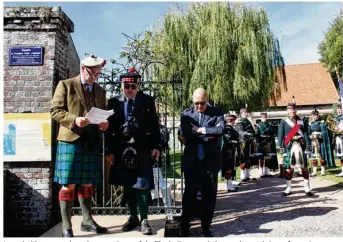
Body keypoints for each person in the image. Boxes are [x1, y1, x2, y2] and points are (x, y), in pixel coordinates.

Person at [51, 54, 108, 237]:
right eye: (92, 73)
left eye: (98, 74)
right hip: (71, 140)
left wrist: (104, 124)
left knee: (88, 184)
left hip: (91, 140)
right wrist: (74, 119)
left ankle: (87, 220)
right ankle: (66, 226)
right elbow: (55, 111)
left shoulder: (100, 90)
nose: (95, 77)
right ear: (83, 69)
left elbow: (101, 113)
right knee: (69, 185)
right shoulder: (66, 85)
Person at [105, 68, 161, 235]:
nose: (129, 89)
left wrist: (156, 146)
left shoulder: (147, 101)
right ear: (122, 85)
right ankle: (132, 217)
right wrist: (109, 149)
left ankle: (144, 219)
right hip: (121, 149)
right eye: (126, 86)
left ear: (139, 86)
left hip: (142, 148)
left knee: (142, 185)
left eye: (133, 86)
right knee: (128, 185)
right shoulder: (114, 102)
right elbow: (109, 129)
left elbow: (154, 126)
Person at [179, 88, 225, 237]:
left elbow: (221, 130)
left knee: (209, 196)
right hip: (192, 162)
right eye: (196, 103)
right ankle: (185, 226)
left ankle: (206, 227)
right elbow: (187, 134)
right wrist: (209, 133)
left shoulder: (216, 112)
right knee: (189, 196)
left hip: (209, 162)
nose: (199, 106)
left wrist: (200, 130)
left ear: (208, 100)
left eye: (202, 103)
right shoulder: (186, 114)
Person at [278, 102, 313, 196]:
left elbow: (305, 133)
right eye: (290, 109)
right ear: (287, 111)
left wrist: (308, 145)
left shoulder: (301, 120)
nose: (292, 111)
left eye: (293, 109)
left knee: (304, 167)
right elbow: (280, 136)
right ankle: (288, 188)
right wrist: (282, 149)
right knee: (289, 168)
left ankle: (307, 188)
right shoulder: (283, 121)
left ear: (296, 110)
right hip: (289, 146)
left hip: (301, 145)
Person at [308, 108, 335, 176]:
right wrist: (310, 136)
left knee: (322, 157)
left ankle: (323, 171)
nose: (315, 117)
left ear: (318, 115)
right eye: (313, 115)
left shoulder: (321, 122)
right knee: (314, 157)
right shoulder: (310, 124)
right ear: (312, 116)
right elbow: (308, 132)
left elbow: (325, 132)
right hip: (314, 143)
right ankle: (314, 172)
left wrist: (321, 135)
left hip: (321, 142)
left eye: (316, 115)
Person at [236, 106, 256, 181]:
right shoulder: (240, 121)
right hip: (243, 143)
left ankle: (247, 174)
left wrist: (252, 137)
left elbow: (252, 131)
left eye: (247, 112)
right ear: (241, 113)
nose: (246, 113)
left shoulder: (247, 121)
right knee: (243, 158)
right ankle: (242, 175)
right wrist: (248, 134)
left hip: (249, 142)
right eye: (245, 112)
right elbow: (239, 132)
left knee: (248, 158)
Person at [255, 112, 277, 178]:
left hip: (267, 143)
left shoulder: (269, 125)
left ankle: (266, 171)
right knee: (261, 158)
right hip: (261, 143)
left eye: (265, 117)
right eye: (262, 117)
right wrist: (260, 141)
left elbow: (272, 134)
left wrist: (270, 141)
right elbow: (257, 135)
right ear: (260, 118)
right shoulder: (258, 125)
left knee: (267, 157)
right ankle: (261, 172)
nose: (264, 118)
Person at [221, 114, 240, 192]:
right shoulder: (227, 129)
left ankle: (230, 184)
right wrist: (238, 142)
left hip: (231, 151)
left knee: (231, 167)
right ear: (230, 121)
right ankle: (228, 186)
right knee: (228, 168)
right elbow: (229, 141)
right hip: (227, 151)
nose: (234, 123)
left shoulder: (231, 129)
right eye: (233, 121)